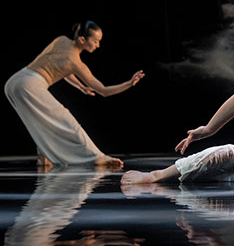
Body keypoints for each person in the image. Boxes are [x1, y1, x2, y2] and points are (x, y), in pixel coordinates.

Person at [5, 21, 145, 167]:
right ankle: (97, 156)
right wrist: (129, 83)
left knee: (40, 118)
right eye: (95, 41)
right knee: (65, 119)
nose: (98, 45)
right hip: (29, 84)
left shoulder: (61, 40)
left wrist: (80, 86)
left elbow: (62, 68)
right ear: (82, 40)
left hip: (14, 81)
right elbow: (103, 91)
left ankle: (44, 156)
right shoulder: (76, 63)